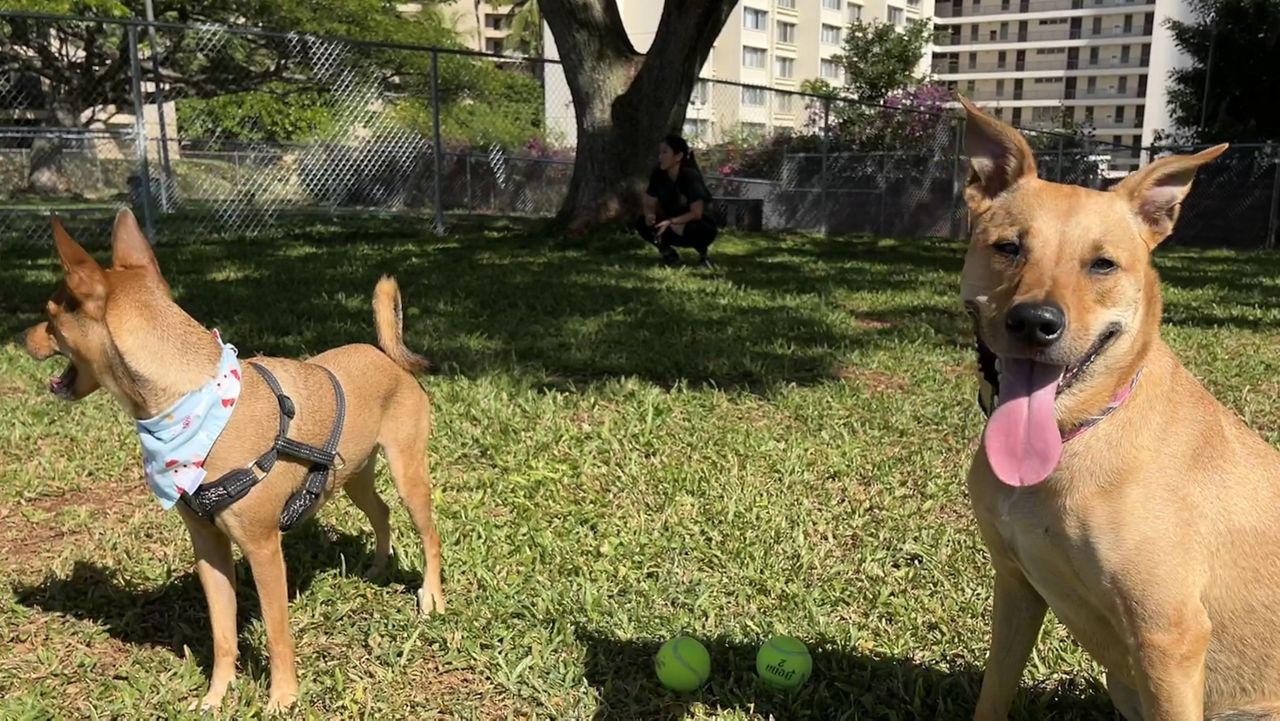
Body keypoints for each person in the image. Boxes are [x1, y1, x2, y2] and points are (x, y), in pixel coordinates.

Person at [634, 134, 719, 268]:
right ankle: (668, 253)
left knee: (696, 228)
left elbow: (696, 213)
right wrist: (649, 214)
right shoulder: (658, 174)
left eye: (665, 152)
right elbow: (649, 201)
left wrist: (672, 222)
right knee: (641, 222)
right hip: (671, 222)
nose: (660, 157)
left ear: (678, 156)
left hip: (697, 224)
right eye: (660, 152)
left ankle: (703, 255)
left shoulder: (690, 176)